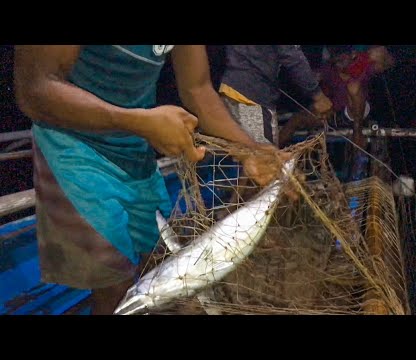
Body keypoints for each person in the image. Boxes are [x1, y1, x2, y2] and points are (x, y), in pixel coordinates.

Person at [14, 45, 287, 315]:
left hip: (135, 151)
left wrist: (249, 150)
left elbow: (198, 90)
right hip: (74, 145)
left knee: (159, 264)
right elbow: (35, 89)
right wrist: (138, 122)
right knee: (114, 282)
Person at [279, 45, 394, 148]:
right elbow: (307, 78)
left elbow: (389, 63)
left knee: (353, 87)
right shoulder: (329, 69)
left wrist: (380, 53)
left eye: (342, 57)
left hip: (357, 111)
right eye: (336, 58)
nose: (339, 61)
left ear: (352, 55)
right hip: (335, 114)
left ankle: (357, 131)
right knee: (296, 119)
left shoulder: (363, 63)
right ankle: (269, 155)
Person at [219, 45, 333, 146]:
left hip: (230, 89)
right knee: (265, 160)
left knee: (245, 157)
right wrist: (318, 95)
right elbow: (292, 56)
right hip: (252, 95)